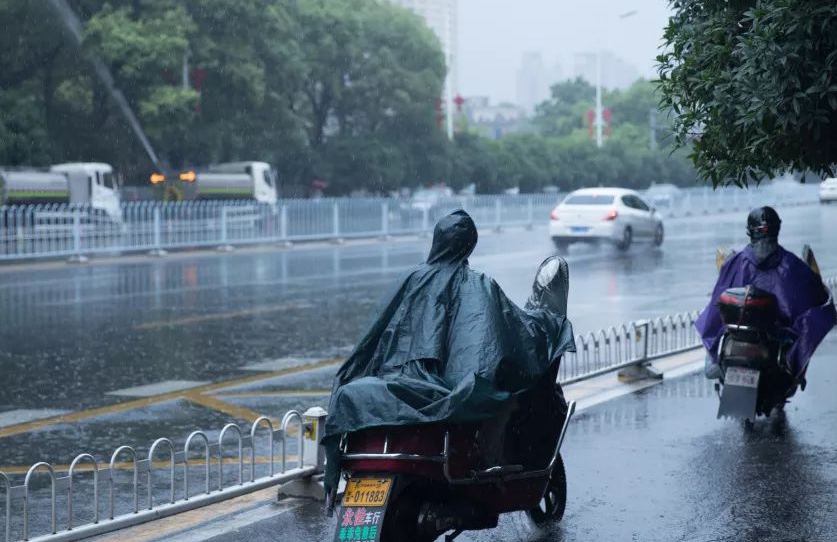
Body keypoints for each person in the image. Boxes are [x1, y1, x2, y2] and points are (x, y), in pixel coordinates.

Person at [321, 210, 575, 494]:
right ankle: (490, 469)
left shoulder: (411, 278)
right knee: (504, 401)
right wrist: (547, 322)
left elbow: (374, 336)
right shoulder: (478, 284)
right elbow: (509, 331)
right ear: (469, 244)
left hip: (396, 377)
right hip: (447, 387)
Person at [696, 206, 836, 380]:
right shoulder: (793, 265)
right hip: (776, 339)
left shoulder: (734, 263)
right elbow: (817, 299)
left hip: (741, 338)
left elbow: (716, 308)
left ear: (750, 232)